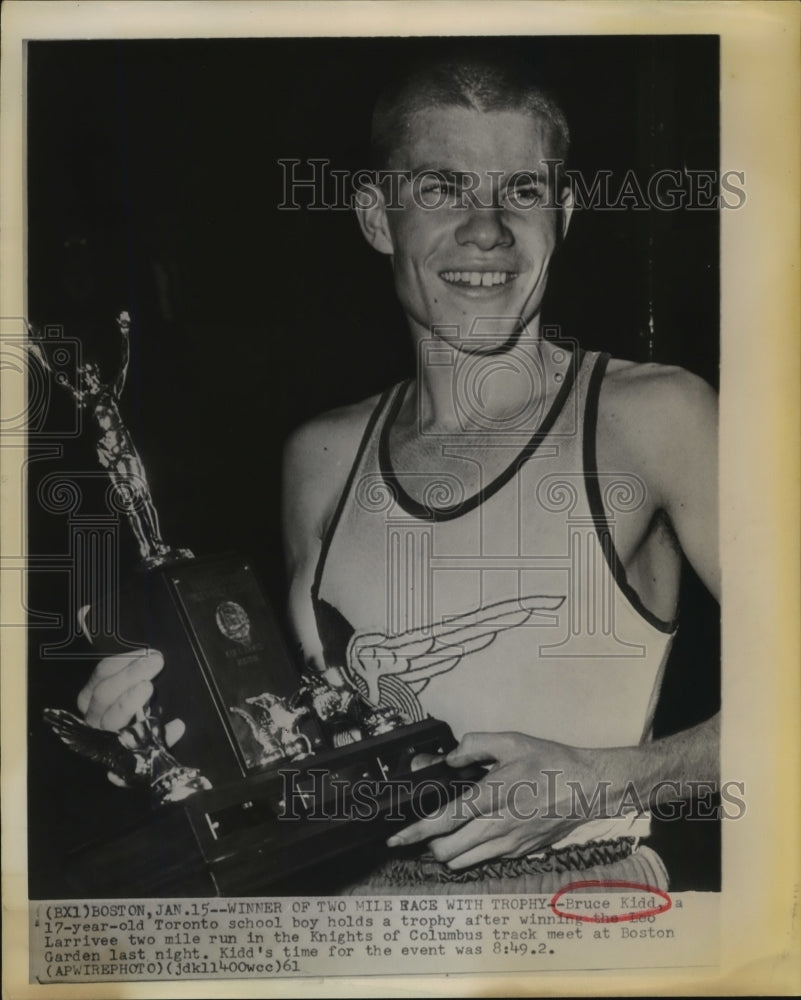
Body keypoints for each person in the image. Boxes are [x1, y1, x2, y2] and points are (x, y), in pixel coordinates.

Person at [77, 53, 720, 894]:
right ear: (377, 217)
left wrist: (604, 779)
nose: (486, 229)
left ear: (562, 214)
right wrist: (162, 736)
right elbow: (324, 750)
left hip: (579, 901)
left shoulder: (654, 416)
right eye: (442, 189)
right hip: (360, 912)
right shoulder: (321, 455)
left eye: (522, 192)